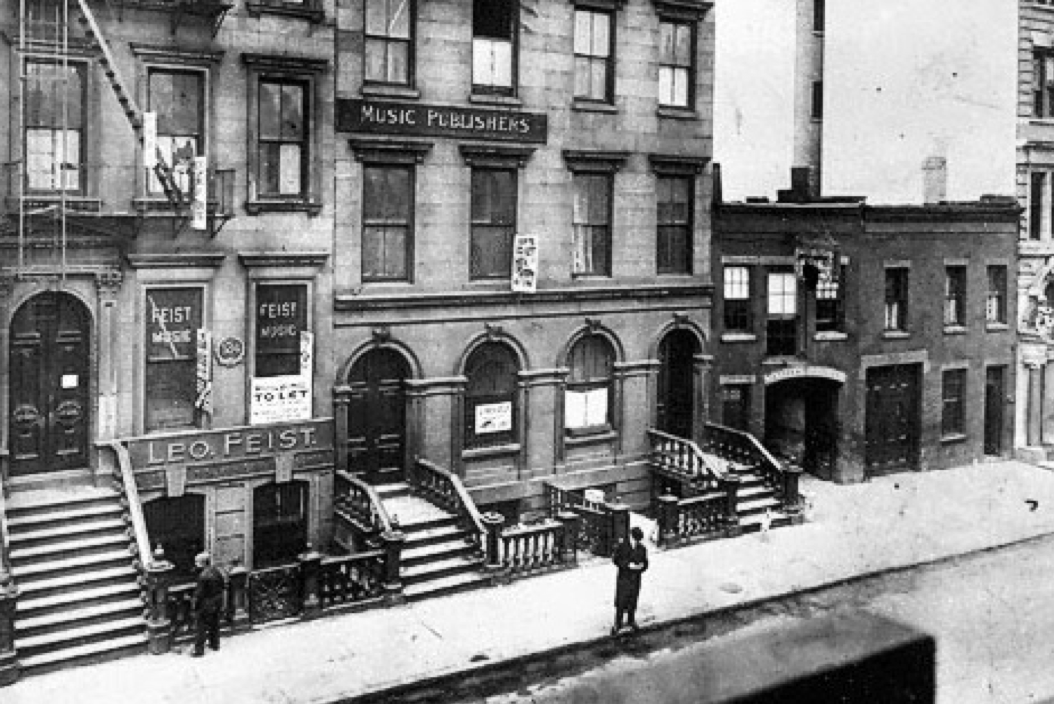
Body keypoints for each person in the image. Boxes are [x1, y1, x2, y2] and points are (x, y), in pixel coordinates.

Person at [612, 526, 648, 635]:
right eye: (634, 539)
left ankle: (631, 621)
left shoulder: (642, 548)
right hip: (624, 579)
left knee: (633, 600)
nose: (636, 542)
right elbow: (616, 560)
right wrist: (628, 565)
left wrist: (641, 567)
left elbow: (645, 563)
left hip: (635, 579)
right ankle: (618, 624)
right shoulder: (622, 546)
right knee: (621, 602)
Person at [191, 552, 226, 657]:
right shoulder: (216, 571)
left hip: (205, 604)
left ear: (202, 563)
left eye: (197, 562)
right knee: (215, 623)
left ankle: (199, 650)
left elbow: (199, 594)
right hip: (217, 600)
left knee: (201, 627)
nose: (195, 564)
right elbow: (223, 585)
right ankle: (215, 644)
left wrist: (194, 606)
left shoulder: (202, 576)